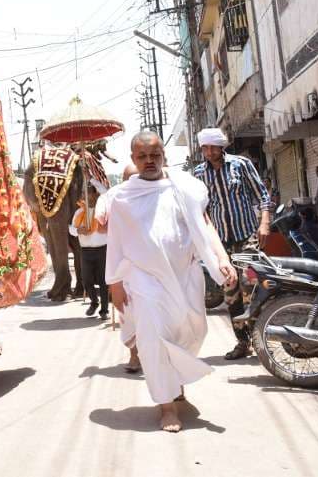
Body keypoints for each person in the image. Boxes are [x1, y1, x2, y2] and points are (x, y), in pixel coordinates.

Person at [106, 131, 236, 432]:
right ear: (133, 159)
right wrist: (114, 283)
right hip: (145, 280)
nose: (149, 161)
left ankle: (175, 381)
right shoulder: (123, 197)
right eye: (142, 156)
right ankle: (166, 406)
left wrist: (222, 259)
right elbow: (116, 242)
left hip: (186, 275)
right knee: (152, 341)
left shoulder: (186, 187)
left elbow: (205, 226)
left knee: (192, 332)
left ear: (163, 154)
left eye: (155, 155)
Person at [192, 128, 272, 360]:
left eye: (212, 147)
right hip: (221, 244)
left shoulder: (241, 164)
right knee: (231, 293)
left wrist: (264, 223)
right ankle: (242, 342)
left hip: (247, 236)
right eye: (204, 148)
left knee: (250, 287)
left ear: (222, 146)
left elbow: (262, 196)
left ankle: (261, 338)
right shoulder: (199, 173)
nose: (208, 152)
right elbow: (200, 210)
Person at [95, 163, 140, 372]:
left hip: (154, 267)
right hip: (125, 268)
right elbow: (101, 225)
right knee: (129, 313)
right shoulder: (113, 197)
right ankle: (135, 356)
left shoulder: (156, 193)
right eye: (129, 179)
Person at [69, 183, 109, 319]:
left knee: (103, 281)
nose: (84, 197)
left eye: (88, 193)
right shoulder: (79, 212)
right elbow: (71, 229)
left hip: (103, 249)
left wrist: (91, 176)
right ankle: (94, 302)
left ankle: (104, 310)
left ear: (95, 194)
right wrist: (78, 230)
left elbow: (106, 193)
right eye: (83, 194)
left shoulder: (102, 210)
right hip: (85, 251)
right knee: (86, 280)